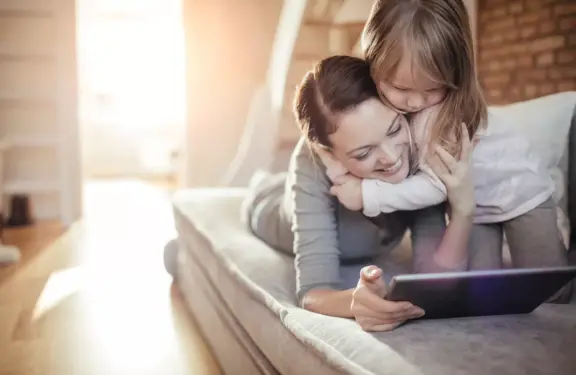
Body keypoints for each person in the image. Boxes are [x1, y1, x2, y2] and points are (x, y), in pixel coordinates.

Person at [324, 0, 571, 305]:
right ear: (373, 61)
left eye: (431, 89)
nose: (415, 102)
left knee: (552, 289)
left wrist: (368, 194)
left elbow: (436, 187)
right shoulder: (383, 109)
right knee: (484, 294)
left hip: (520, 195)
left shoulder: (443, 118)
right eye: (401, 88)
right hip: (475, 207)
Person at [243, 55, 476, 332]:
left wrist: (463, 211)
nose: (391, 158)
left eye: (394, 129)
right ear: (329, 153)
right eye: (364, 153)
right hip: (269, 206)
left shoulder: (416, 145)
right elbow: (313, 292)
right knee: (261, 186)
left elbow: (437, 275)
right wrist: (354, 302)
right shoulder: (311, 161)